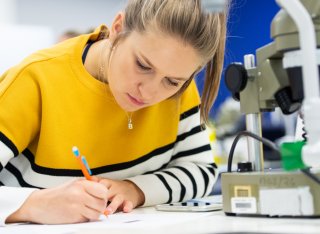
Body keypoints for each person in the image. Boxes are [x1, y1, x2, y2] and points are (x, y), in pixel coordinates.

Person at [0, 0, 227, 225]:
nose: (149, 92)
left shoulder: (179, 91)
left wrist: (136, 189)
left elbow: (202, 170)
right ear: (118, 28)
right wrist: (32, 205)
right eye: (143, 65)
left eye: (172, 81)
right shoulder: (34, 80)